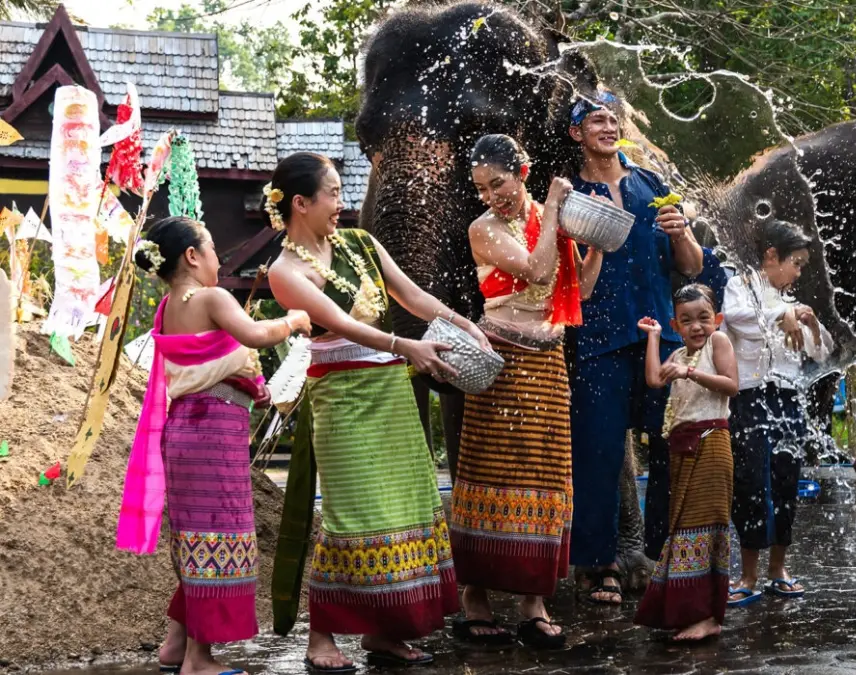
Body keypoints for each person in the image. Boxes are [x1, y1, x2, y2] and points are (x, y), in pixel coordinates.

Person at [265, 152, 490, 670]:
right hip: (342, 400)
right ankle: (321, 636)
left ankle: (385, 633)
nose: (342, 203)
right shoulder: (285, 271)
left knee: (404, 509)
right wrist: (404, 346)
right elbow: (341, 325)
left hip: (388, 391)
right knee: (350, 518)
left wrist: (464, 321)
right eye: (335, 193)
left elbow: (409, 295)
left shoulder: (360, 243)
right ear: (301, 203)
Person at [117, 216, 311, 675]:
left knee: (195, 542)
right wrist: (293, 319)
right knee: (217, 542)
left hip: (184, 432)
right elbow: (254, 335)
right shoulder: (212, 297)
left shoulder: (168, 308)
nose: (217, 261)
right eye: (211, 251)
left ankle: (176, 645)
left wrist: (248, 383)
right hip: (210, 438)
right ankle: (198, 662)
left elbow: (204, 368)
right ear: (191, 256)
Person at [448, 134, 604, 649]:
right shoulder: (483, 228)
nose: (494, 195)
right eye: (482, 188)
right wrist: (557, 207)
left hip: (549, 360)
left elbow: (578, 289)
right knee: (493, 468)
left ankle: (533, 601)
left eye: (499, 182)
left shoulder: (548, 217)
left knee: (545, 471)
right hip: (504, 361)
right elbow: (537, 270)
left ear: (523, 169)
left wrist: (597, 245)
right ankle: (474, 597)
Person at [566, 92, 704, 604]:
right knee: (597, 452)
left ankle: (663, 554)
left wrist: (683, 233)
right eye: (596, 120)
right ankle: (598, 564)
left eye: (612, 119)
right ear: (576, 132)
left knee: (671, 447)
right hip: (599, 338)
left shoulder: (652, 186)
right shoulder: (571, 194)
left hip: (659, 338)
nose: (608, 126)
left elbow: (688, 266)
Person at [721, 220, 833, 605]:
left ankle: (778, 567)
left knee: (786, 480)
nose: (799, 272)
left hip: (787, 399)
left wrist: (812, 324)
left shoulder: (794, 304)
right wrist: (777, 316)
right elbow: (739, 320)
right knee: (751, 482)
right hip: (750, 397)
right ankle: (748, 572)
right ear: (772, 255)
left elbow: (820, 354)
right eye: (796, 263)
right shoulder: (741, 286)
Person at [633, 284, 739, 642]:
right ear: (675, 325)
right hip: (682, 448)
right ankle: (688, 610)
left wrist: (690, 374)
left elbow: (731, 384)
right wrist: (654, 337)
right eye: (687, 321)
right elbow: (653, 379)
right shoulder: (677, 354)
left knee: (705, 526)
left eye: (704, 318)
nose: (697, 327)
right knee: (683, 528)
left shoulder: (717, 344)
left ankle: (708, 615)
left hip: (711, 443)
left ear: (717, 319)